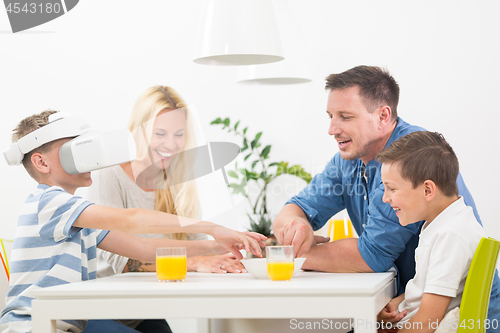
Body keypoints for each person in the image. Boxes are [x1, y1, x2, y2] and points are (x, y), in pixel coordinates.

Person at [0, 110, 266, 333]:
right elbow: (132, 220)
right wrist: (210, 227)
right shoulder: (49, 203)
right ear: (41, 163)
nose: (87, 159)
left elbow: (144, 249)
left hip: (66, 322)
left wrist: (219, 246)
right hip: (33, 325)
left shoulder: (78, 217)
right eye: (73, 151)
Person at [272, 65, 500, 324]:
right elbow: (297, 207)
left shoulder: (411, 160)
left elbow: (371, 256)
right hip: (408, 309)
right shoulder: (349, 159)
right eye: (330, 116)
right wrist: (296, 226)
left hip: (453, 321)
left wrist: (287, 254)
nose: (332, 128)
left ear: (383, 116)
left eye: (345, 117)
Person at [84, 85, 247, 332]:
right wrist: (196, 262)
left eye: (178, 134)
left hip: (144, 312)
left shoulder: (177, 178)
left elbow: (196, 239)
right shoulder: (109, 175)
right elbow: (124, 264)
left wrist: (228, 256)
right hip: (101, 312)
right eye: (160, 133)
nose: (170, 144)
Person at [375, 131, 489, 333]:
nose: (385, 198)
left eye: (391, 189)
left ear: (427, 190)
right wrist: (397, 304)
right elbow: (426, 291)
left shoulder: (451, 236)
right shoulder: (446, 224)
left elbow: (427, 322)